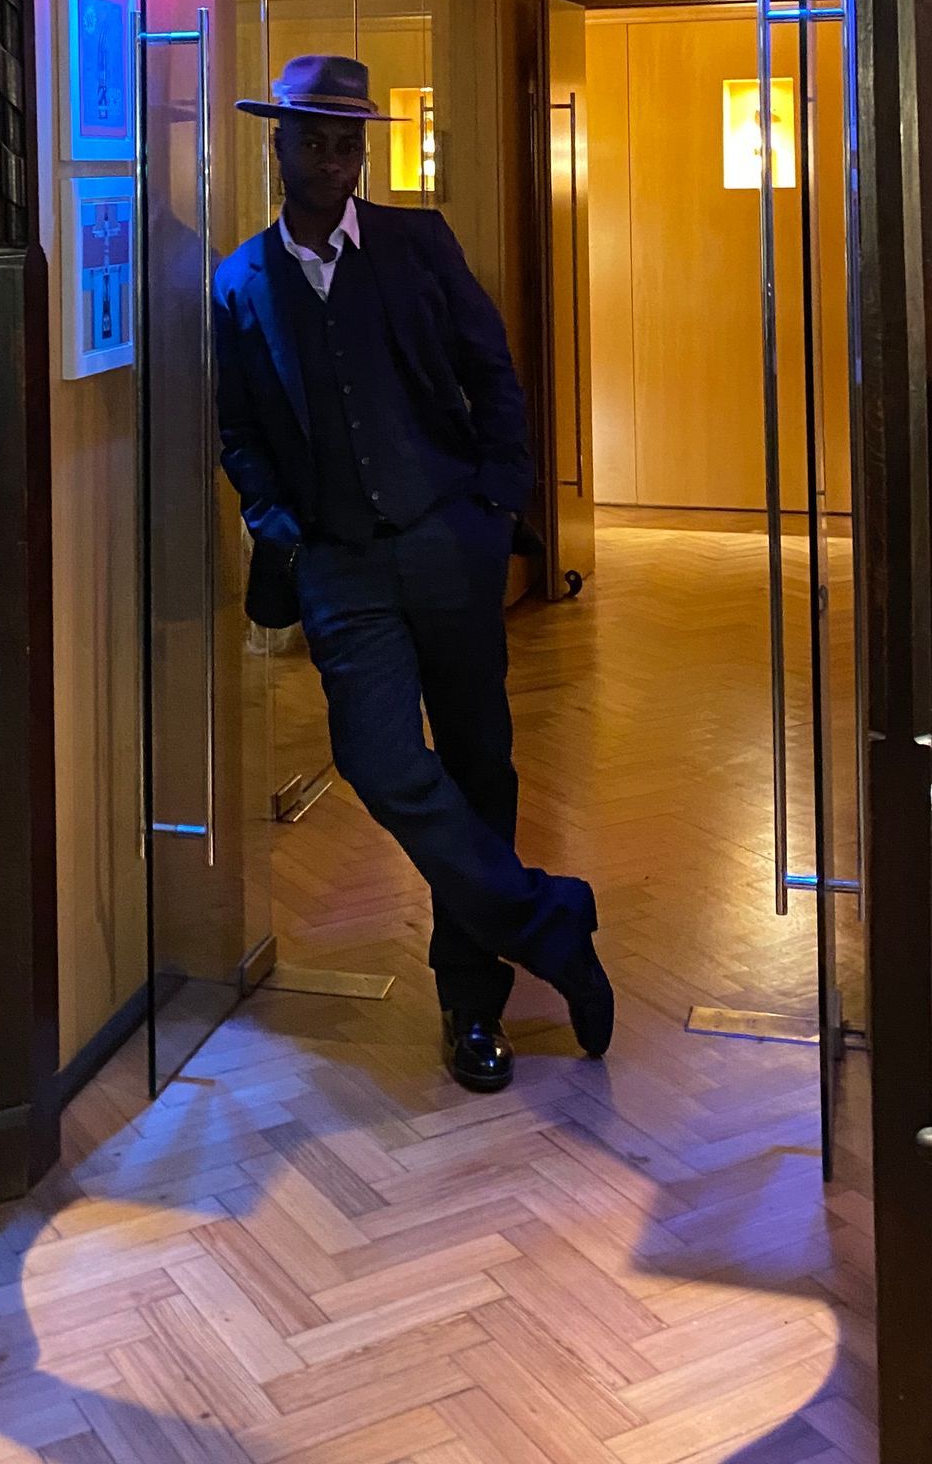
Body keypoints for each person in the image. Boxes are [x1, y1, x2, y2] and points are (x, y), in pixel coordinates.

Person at [212, 53, 613, 1093]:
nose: (332, 160)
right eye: (313, 140)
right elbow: (239, 426)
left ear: (362, 152)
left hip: (449, 543)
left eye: (348, 142)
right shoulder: (240, 281)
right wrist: (276, 517)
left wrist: (497, 504)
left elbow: (491, 371)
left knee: (480, 765)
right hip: (339, 565)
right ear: (278, 144)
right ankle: (548, 921)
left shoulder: (419, 242)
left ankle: (471, 1004)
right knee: (381, 759)